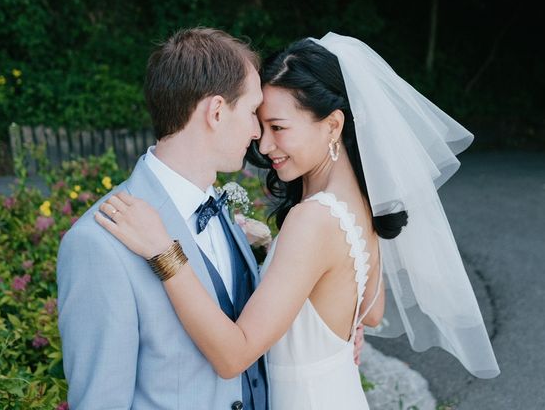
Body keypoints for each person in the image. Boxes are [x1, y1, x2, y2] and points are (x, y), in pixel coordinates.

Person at [96, 33, 500, 410]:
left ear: (334, 124)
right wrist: (276, 254)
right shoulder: (360, 200)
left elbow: (234, 354)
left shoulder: (313, 219)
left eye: (278, 128)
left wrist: (165, 252)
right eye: (260, 122)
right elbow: (371, 313)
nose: (264, 143)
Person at [57, 27, 270, 410]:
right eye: (253, 111)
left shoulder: (222, 211)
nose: (257, 132)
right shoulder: (97, 243)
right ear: (217, 112)